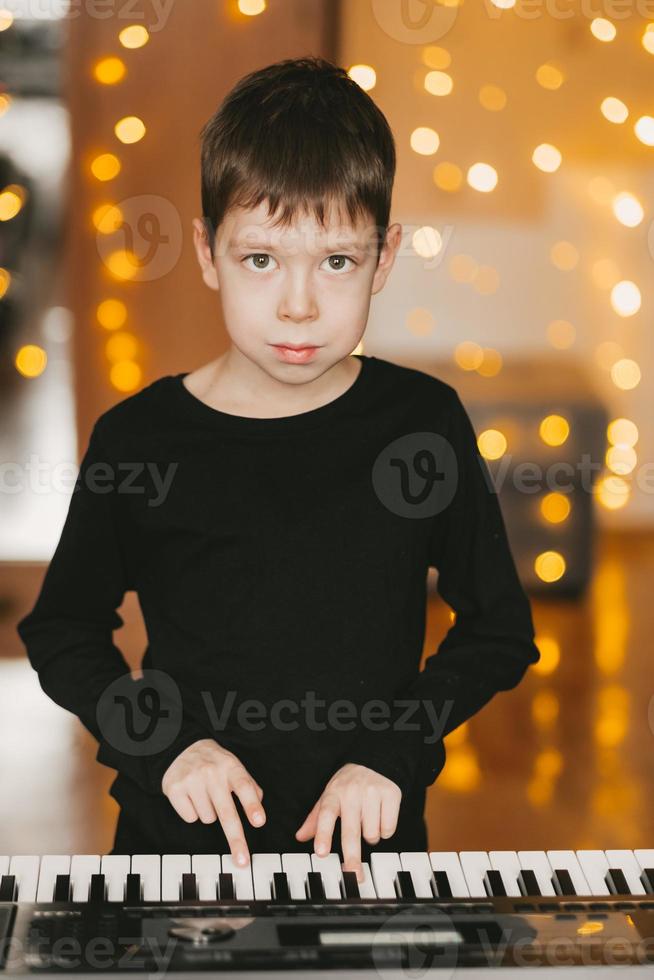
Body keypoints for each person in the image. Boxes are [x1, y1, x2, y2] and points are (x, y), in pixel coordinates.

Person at [16, 56, 540, 884]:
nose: (298, 304)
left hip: (367, 852)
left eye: (336, 261)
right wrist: (169, 749)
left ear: (385, 256)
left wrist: (394, 751)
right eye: (262, 259)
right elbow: (62, 629)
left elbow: (499, 631)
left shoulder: (423, 425)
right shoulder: (139, 440)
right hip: (176, 846)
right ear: (208, 252)